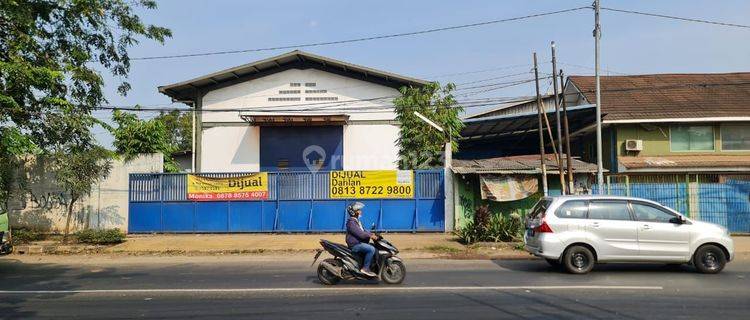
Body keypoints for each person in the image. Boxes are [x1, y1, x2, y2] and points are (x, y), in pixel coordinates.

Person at [345, 202, 378, 277]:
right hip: (355, 245)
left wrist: (371, 233)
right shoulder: (351, 223)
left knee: (375, 247)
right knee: (371, 249)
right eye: (359, 210)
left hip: (359, 243)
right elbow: (361, 234)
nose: (360, 211)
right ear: (354, 212)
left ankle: (370, 265)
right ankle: (365, 268)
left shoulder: (356, 221)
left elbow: (363, 231)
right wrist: (370, 236)